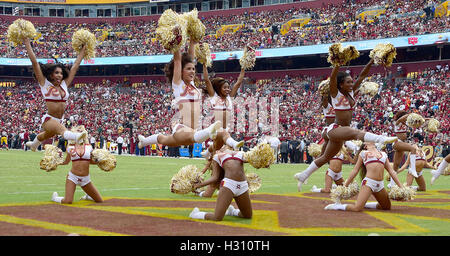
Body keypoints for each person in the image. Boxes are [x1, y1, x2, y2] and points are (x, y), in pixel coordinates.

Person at [294, 59, 397, 191]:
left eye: (351, 81)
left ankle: (304, 175)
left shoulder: (351, 92)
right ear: (340, 84)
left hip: (342, 132)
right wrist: (337, 63)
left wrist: (371, 62)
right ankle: (381, 139)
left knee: (326, 156)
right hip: (336, 129)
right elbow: (332, 78)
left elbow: (362, 76)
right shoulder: (335, 94)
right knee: (355, 133)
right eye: (348, 82)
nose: (351, 83)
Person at [138, 39, 221, 149]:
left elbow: (191, 57)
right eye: (188, 69)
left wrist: (193, 42)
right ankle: (209, 130)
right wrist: (176, 42)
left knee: (164, 139)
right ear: (181, 71)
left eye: (193, 69)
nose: (192, 71)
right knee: (195, 137)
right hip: (182, 128)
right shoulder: (178, 84)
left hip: (195, 129)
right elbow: (177, 60)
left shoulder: (192, 84)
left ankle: (144, 141)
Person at [23, 38, 87, 151]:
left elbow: (76, 66)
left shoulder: (64, 84)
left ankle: (34, 144)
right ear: (51, 75)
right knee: (63, 131)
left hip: (60, 120)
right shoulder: (44, 83)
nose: (59, 75)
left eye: (61, 73)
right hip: (49, 119)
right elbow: (34, 62)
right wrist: (27, 42)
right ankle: (76, 137)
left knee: (46, 135)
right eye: (56, 73)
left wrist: (84, 49)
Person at [324, 141, 404, 211]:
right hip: (369, 183)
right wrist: (345, 185)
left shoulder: (383, 154)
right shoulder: (363, 154)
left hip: (380, 185)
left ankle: (364, 204)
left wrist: (401, 187)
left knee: (386, 207)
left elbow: (391, 171)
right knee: (357, 208)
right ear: (365, 146)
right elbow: (355, 170)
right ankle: (337, 206)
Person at [189, 146, 252, 221]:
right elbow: (215, 177)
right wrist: (198, 185)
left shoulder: (241, 153)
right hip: (228, 185)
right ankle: (196, 214)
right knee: (217, 217)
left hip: (242, 185)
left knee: (247, 215)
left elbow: (253, 160)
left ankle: (233, 211)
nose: (222, 146)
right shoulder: (217, 157)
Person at [51, 126, 103, 204]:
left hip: (85, 179)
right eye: (78, 130)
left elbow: (90, 161)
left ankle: (88, 196)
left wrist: (100, 161)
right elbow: (66, 162)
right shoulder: (70, 147)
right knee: (68, 201)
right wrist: (55, 162)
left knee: (99, 200)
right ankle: (55, 198)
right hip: (73, 177)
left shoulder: (89, 147)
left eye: (81, 130)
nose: (80, 131)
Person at [202, 63, 245, 131]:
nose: (227, 89)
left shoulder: (229, 97)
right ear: (219, 88)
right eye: (224, 87)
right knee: (224, 138)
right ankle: (233, 142)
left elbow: (238, 82)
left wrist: (243, 67)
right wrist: (204, 65)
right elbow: (207, 80)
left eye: (228, 87)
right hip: (217, 129)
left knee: (224, 138)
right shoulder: (214, 97)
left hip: (227, 129)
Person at [390, 111, 419, 178]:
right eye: (406, 117)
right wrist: (410, 114)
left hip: (402, 143)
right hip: (397, 142)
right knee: (413, 149)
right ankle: (413, 169)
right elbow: (400, 119)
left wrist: (427, 119)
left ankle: (391, 184)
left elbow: (419, 122)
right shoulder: (397, 122)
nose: (407, 118)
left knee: (396, 166)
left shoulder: (406, 124)